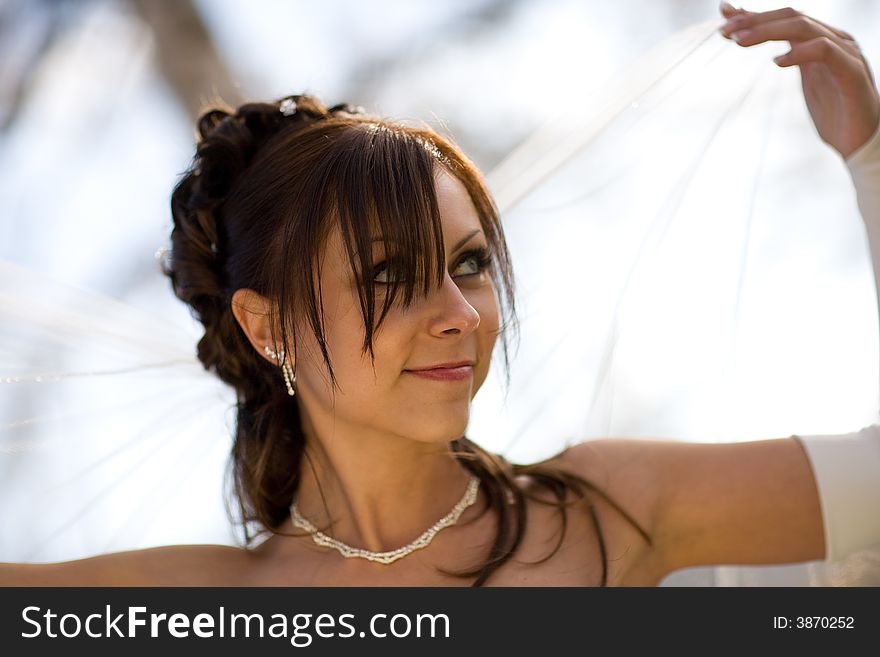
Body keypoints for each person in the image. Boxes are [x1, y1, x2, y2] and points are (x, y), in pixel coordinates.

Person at [1, 3, 879, 587]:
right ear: (266, 325)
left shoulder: (613, 511)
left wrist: (871, 157)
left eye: (467, 264)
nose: (460, 314)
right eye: (388, 276)